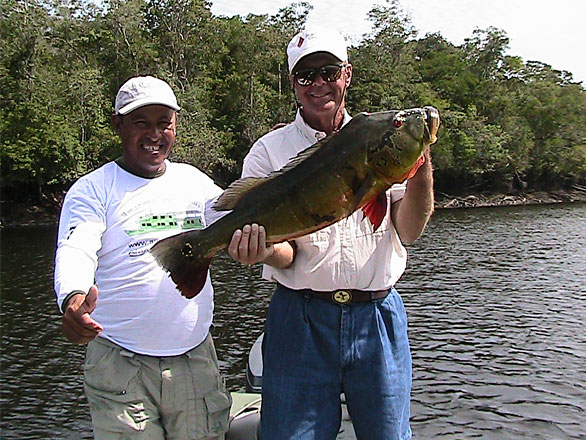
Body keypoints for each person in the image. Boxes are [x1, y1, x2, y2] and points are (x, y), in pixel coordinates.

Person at [228, 27, 434, 440]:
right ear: (293, 85)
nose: (318, 84)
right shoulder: (269, 152)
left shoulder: (380, 138)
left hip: (377, 318)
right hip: (299, 318)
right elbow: (287, 255)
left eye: (328, 72)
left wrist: (421, 164)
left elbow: (408, 230)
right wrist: (263, 251)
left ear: (348, 75)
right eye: (306, 76)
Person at [54, 76, 232, 439]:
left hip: (194, 358)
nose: (154, 134)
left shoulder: (196, 183)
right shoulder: (93, 189)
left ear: (176, 126)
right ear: (118, 125)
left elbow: (239, 220)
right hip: (120, 363)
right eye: (141, 122)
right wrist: (72, 298)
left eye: (163, 123)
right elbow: (76, 247)